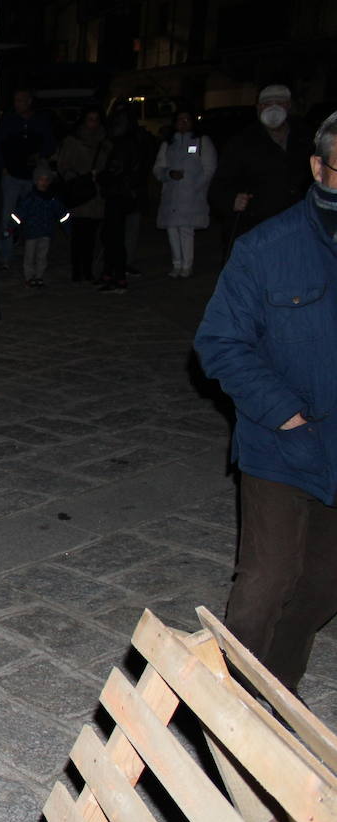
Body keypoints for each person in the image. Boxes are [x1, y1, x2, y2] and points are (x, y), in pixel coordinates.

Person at [192, 110, 337, 694]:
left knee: (323, 586)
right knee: (264, 586)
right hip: (280, 440)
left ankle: (274, 698)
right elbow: (219, 342)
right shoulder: (266, 247)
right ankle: (229, 714)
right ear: (318, 167)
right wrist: (286, 412)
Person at [212, 84, 314, 247]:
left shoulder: (306, 138)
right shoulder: (241, 142)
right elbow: (219, 186)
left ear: (288, 106)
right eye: (266, 104)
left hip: (298, 226)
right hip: (256, 229)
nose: (272, 109)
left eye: (279, 103)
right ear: (258, 108)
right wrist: (232, 199)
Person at [0, 89, 56, 268]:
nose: (18, 104)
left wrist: (41, 157)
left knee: (33, 216)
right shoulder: (9, 120)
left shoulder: (40, 121)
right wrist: (2, 167)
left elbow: (50, 144)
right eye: (16, 100)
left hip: (33, 177)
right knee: (6, 216)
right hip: (11, 175)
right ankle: (5, 256)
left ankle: (33, 256)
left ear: (29, 101)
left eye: (21, 101)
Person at [153, 110, 217, 278]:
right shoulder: (168, 144)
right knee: (172, 228)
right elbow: (158, 168)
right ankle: (176, 263)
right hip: (171, 194)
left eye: (187, 119)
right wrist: (168, 174)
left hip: (191, 195)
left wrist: (196, 186)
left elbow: (209, 168)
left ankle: (187, 265)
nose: (183, 123)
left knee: (186, 229)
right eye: (180, 119)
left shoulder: (202, 141)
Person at [55, 109, 110, 283]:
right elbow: (63, 166)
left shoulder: (105, 143)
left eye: (96, 119)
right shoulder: (72, 142)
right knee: (78, 234)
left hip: (96, 196)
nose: (92, 123)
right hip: (79, 194)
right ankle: (77, 270)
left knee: (91, 236)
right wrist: (79, 178)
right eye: (90, 119)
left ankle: (87, 269)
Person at [96, 108, 144, 294]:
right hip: (120, 195)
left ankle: (119, 277)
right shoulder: (128, 142)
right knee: (111, 236)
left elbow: (116, 171)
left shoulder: (125, 144)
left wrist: (101, 177)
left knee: (115, 238)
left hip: (119, 196)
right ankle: (110, 274)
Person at [10, 165, 69, 287]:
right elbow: (19, 213)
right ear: (36, 181)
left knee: (42, 256)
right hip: (31, 232)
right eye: (41, 179)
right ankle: (29, 277)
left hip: (46, 232)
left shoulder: (52, 199)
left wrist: (68, 228)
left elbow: (63, 214)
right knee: (29, 256)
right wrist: (11, 227)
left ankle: (39, 276)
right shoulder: (30, 198)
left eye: (47, 180)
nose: (44, 182)